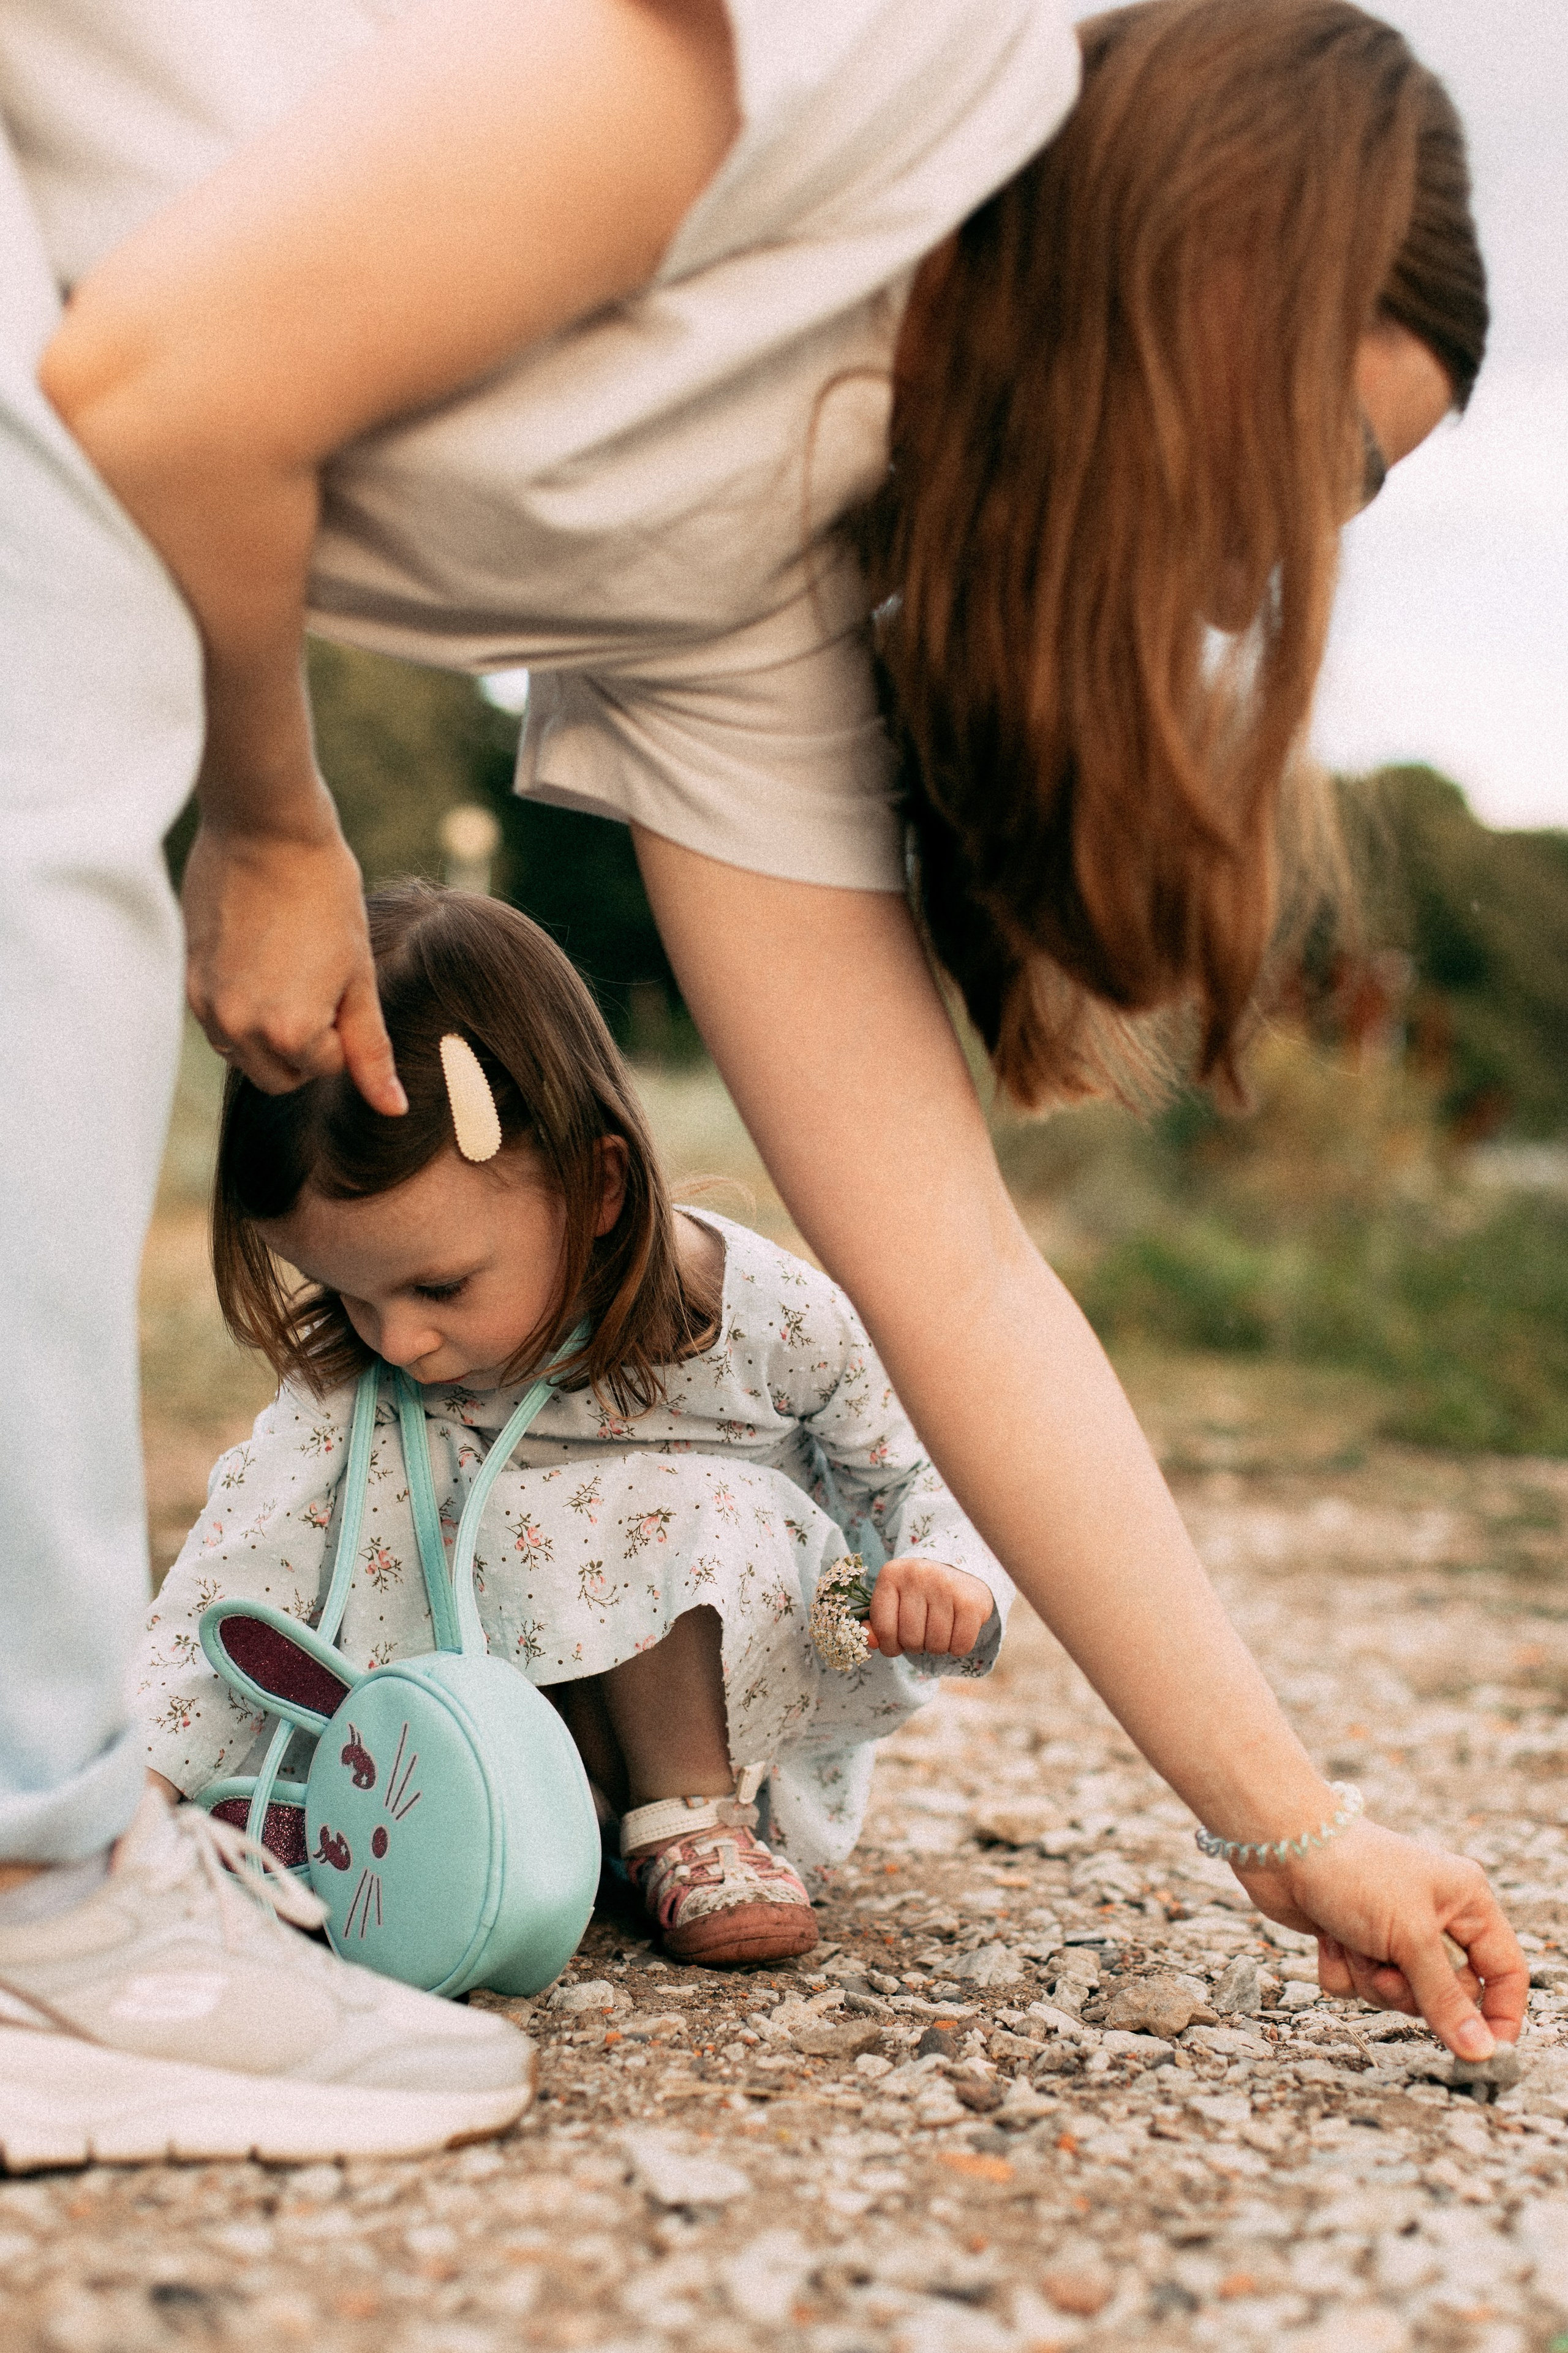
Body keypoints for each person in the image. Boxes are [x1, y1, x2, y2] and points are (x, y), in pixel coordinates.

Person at [0, 0, 1525, 2164]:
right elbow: (173, 392)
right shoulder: (906, 57)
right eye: (1323, 465)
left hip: (65, 396)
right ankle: (39, 1905)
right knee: (48, 884)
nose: (1287, 569)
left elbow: (961, 1279)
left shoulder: (763, 591)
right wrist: (272, 815)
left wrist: (1294, 1835)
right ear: (1214, 272)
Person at [137, 881, 1009, 1966]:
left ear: (598, 1186)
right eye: (351, 1292)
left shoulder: (770, 1320)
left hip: (730, 1728)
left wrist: (945, 1576)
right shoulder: (366, 1367)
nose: (396, 1339)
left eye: (439, 1286)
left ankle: (688, 1822)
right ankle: (497, 1831)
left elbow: (922, 1468)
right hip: (513, 1750)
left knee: (663, 1503)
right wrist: (133, 1781)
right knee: (364, 1520)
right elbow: (243, 1560)